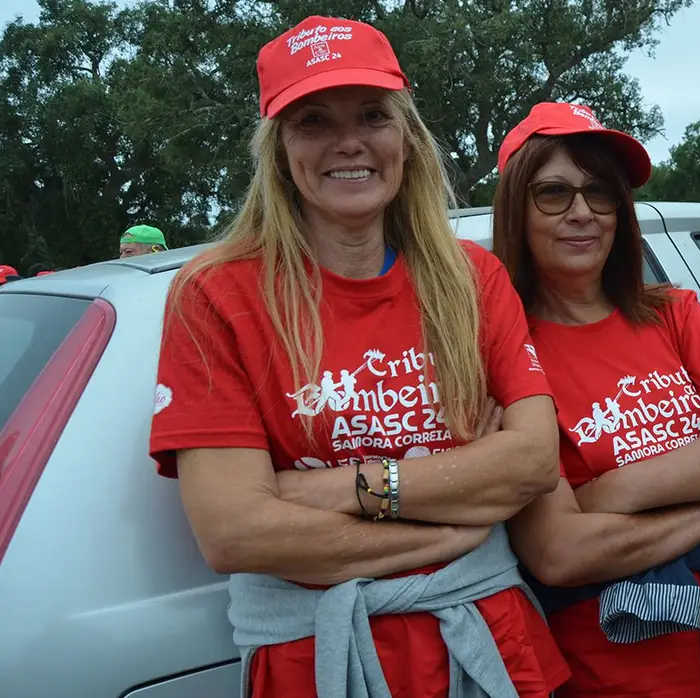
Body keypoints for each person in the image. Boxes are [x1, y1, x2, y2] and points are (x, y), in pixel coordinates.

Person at [148, 15, 569, 698]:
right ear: (280, 150)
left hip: (490, 642)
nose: (349, 142)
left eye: (373, 115)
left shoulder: (471, 278)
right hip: (317, 661)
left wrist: (342, 490)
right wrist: (461, 518)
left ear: (406, 137)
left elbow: (532, 461)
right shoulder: (215, 295)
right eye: (312, 121)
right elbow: (236, 533)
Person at [491, 101, 700, 698]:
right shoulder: (506, 350)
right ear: (517, 209)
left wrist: (608, 492)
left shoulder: (673, 312)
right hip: (618, 676)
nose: (582, 213)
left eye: (599, 191)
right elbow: (560, 551)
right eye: (553, 193)